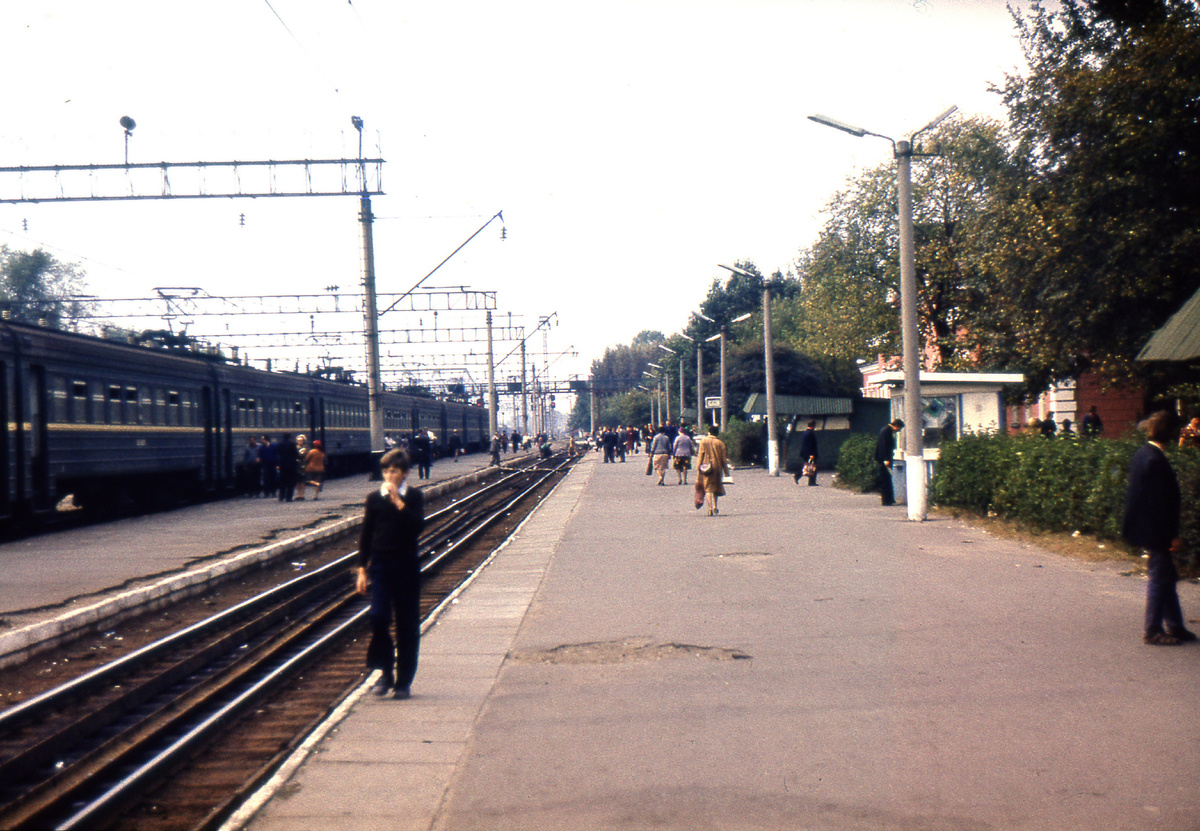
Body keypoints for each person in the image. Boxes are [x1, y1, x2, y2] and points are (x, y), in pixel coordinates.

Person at [356, 449, 426, 698]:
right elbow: (366, 535)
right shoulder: (374, 498)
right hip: (381, 566)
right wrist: (362, 569)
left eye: (393, 471)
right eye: (385, 471)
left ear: (404, 473)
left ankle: (403, 682)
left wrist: (398, 501)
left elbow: (416, 527)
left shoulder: (414, 496)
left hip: (406, 566)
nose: (388, 476)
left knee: (407, 624)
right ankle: (385, 672)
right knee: (378, 616)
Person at [1122, 410, 1195, 646]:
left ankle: (1175, 626)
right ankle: (1152, 630)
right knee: (1158, 578)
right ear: (1171, 433)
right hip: (1156, 530)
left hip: (1146, 527)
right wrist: (1171, 536)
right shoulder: (1155, 460)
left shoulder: (1143, 454)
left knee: (1167, 578)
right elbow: (1160, 504)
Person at [694, 425, 730, 516]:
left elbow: (700, 455)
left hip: (706, 468)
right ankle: (715, 506)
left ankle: (709, 507)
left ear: (709, 432)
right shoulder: (720, 443)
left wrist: (698, 468)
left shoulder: (703, 441)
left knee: (707, 488)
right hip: (717, 467)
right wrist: (726, 472)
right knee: (715, 487)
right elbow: (724, 459)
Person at [875, 419, 904, 506]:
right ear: (896, 426)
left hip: (883, 458)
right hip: (885, 459)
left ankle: (889, 499)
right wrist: (886, 459)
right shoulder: (887, 431)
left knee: (887, 479)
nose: (898, 430)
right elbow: (884, 446)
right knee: (886, 480)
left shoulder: (886, 430)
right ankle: (887, 500)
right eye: (899, 428)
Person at [796, 420, 819, 486]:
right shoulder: (810, 433)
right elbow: (810, 444)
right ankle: (811, 481)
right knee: (812, 467)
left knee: (808, 466)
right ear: (813, 425)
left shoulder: (805, 432)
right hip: (810, 453)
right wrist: (811, 454)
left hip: (806, 453)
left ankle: (799, 476)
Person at [277, 433, 299, 502]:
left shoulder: (279, 444)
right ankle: (289, 497)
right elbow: (296, 454)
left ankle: (281, 496)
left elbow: (278, 453)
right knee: (290, 482)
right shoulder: (293, 444)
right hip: (291, 465)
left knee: (282, 481)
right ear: (289, 437)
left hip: (282, 464)